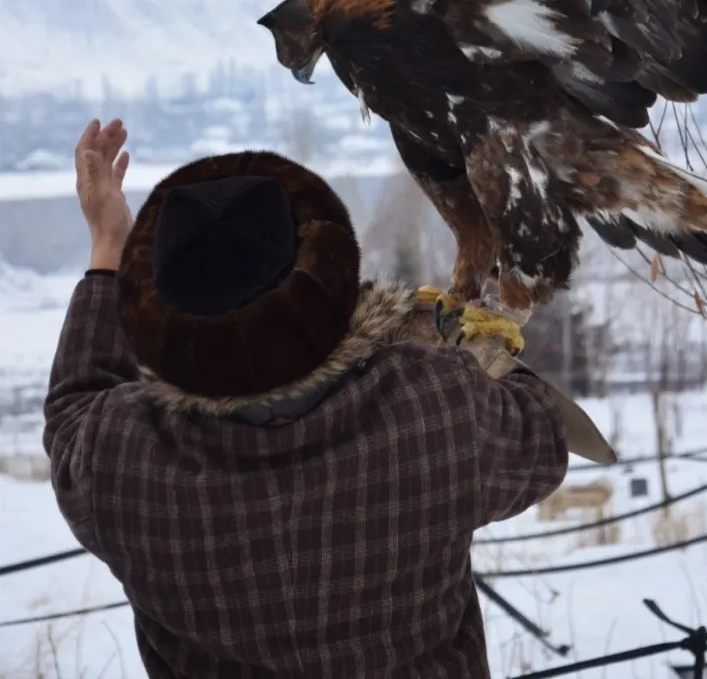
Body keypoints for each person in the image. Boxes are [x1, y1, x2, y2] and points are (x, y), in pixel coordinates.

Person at [43, 118, 588, 679]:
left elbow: (73, 404)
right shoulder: (437, 406)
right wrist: (478, 348)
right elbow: (543, 437)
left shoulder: (121, 463)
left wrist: (108, 245)